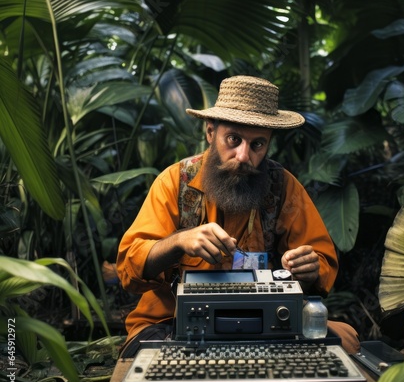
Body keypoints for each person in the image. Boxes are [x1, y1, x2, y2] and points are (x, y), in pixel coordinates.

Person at [116, 75, 360, 357]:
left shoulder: (284, 187)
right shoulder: (175, 182)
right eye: (233, 139)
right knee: (147, 355)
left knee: (344, 341)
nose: (244, 156)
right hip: (173, 322)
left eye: (257, 145)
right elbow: (129, 268)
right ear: (210, 132)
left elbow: (321, 263)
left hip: (264, 323)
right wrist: (179, 242)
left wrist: (309, 269)